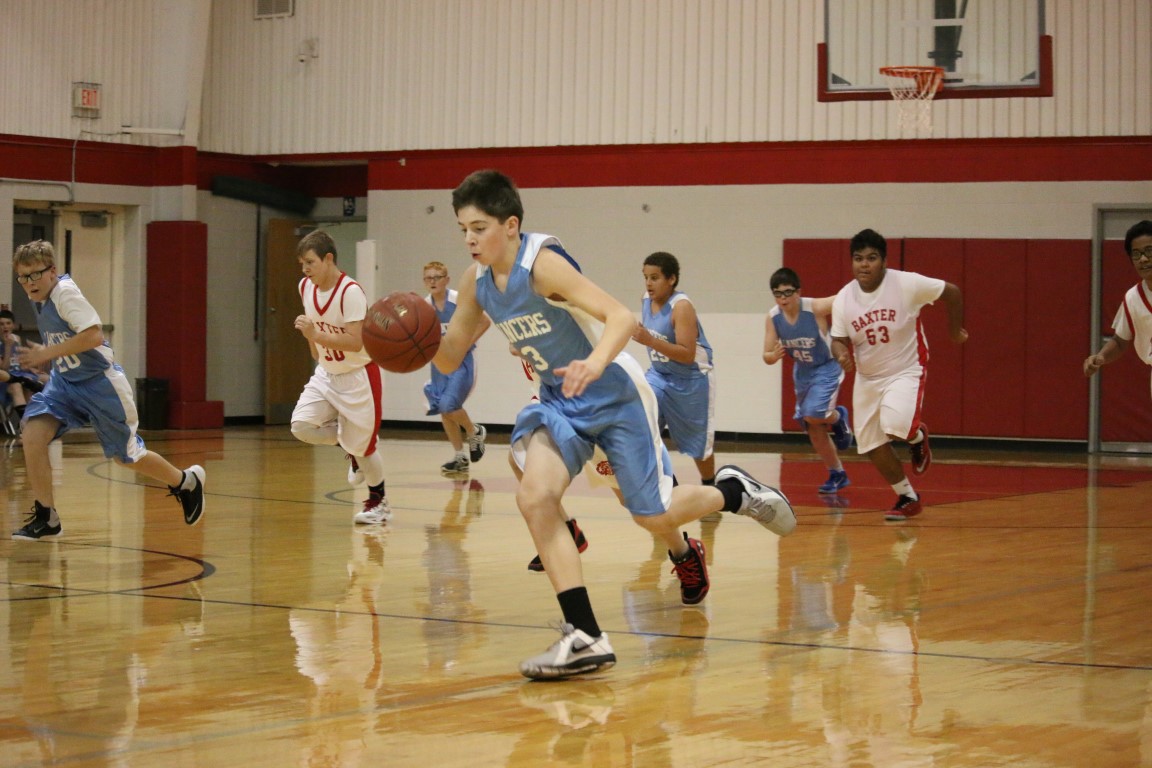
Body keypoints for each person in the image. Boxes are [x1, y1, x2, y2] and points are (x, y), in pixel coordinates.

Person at [433, 170, 796, 679]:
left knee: (651, 513)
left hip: (615, 394)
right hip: (560, 401)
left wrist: (594, 363)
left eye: (479, 228)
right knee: (534, 496)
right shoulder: (477, 282)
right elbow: (449, 354)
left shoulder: (542, 264)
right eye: (463, 230)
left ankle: (734, 491)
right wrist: (387, 341)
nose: (469, 240)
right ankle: (584, 636)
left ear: (510, 225)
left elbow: (622, 317)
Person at [10, 240, 205, 540]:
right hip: (65, 384)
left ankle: (185, 481)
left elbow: (93, 336)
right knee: (33, 435)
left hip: (100, 385)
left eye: (35, 274)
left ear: (52, 271)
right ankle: (47, 516)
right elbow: (66, 340)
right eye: (23, 277)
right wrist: (50, 356)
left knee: (126, 457)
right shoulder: (40, 298)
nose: (29, 282)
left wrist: (47, 353)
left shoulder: (65, 293)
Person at [830, 229, 967, 522]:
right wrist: (841, 353)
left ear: (884, 261)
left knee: (894, 427)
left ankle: (916, 437)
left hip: (905, 370)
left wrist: (955, 331)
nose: (864, 264)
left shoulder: (906, 283)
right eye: (858, 258)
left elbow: (952, 292)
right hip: (868, 378)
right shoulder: (843, 298)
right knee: (870, 444)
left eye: (871, 258)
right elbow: (838, 339)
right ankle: (908, 497)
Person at [289, 230, 390, 526]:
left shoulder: (350, 292)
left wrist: (315, 335)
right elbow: (313, 330)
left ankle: (379, 503)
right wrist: (317, 351)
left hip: (358, 376)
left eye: (310, 262)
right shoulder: (305, 287)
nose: (305, 269)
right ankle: (351, 447)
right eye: (302, 264)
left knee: (365, 448)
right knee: (301, 426)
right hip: (327, 373)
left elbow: (355, 342)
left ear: (328, 258)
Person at [762, 267, 854, 494]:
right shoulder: (773, 317)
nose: (783, 298)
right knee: (812, 426)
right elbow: (766, 355)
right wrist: (773, 356)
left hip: (827, 367)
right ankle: (837, 473)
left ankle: (838, 417)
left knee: (814, 414)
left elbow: (845, 298)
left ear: (798, 292)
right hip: (803, 372)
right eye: (777, 294)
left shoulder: (815, 307)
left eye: (787, 292)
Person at [631, 252, 717, 484]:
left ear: (671, 279)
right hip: (659, 375)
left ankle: (710, 484)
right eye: (646, 277)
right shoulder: (645, 300)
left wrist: (650, 340)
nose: (649, 283)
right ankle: (668, 482)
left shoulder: (681, 307)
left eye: (655, 278)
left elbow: (687, 355)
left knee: (697, 445)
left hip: (691, 378)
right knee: (642, 422)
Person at [421, 260, 491, 474]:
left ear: (447, 280)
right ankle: (460, 456)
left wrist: (466, 344)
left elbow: (485, 322)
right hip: (439, 362)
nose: (432, 281)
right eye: (428, 278)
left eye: (437, 277)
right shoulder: (424, 307)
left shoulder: (458, 299)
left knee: (448, 405)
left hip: (462, 361)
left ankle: (474, 431)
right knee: (443, 410)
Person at [1084, 220, 1152, 398]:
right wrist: (1101, 357)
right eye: (1136, 254)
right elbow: (1120, 341)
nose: (1143, 259)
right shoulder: (1133, 298)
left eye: (1149, 251)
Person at [0, 308, 48, 415]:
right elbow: (4, 369)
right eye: (2, 324)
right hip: (6, 378)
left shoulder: (16, 338)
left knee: (47, 379)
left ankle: (37, 416)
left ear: (13, 325)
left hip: (20, 373)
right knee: (18, 385)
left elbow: (19, 359)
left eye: (8, 323)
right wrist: (7, 347)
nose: (5, 326)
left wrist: (31, 369)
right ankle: (25, 420)